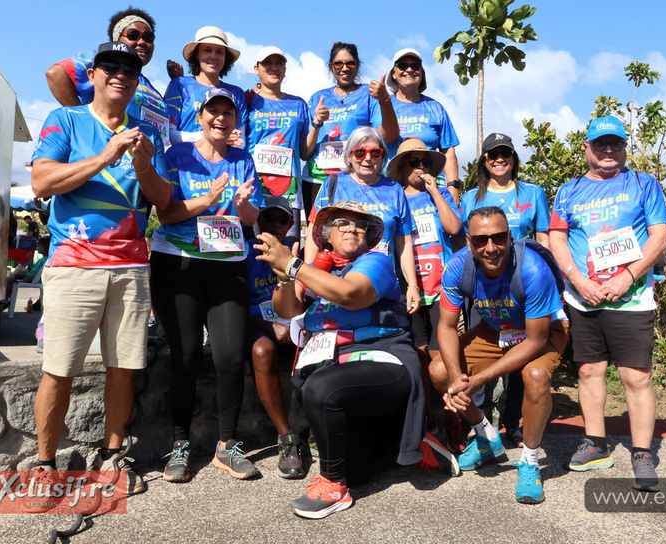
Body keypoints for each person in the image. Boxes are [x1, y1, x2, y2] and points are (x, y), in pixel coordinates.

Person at [30, 42, 173, 496]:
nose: (120, 73)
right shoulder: (66, 120)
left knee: (123, 368)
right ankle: (44, 463)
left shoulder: (145, 132)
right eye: (110, 66)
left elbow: (164, 201)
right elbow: (42, 181)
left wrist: (145, 166)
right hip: (73, 265)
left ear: (136, 80)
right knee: (59, 370)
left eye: (130, 68)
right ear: (92, 74)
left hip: (130, 266)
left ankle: (113, 456)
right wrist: (105, 157)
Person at [256, 200, 459, 519]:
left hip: (385, 362)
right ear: (326, 235)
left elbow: (351, 295)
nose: (352, 228)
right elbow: (287, 310)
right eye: (342, 223)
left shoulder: (375, 263)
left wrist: (294, 266)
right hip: (342, 371)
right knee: (355, 469)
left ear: (369, 237)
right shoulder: (318, 269)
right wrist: (284, 276)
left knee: (322, 389)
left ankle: (333, 488)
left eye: (360, 225)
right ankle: (406, 444)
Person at [549, 114, 666, 491]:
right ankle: (596, 444)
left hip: (630, 300)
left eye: (615, 143)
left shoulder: (643, 183)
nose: (607, 150)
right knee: (589, 372)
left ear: (624, 148)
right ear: (586, 148)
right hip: (584, 299)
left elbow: (660, 236)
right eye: (600, 143)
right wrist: (578, 280)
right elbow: (556, 237)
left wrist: (628, 277)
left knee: (636, 377)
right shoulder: (568, 190)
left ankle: (642, 452)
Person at [150, 87, 264, 483]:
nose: (220, 118)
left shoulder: (244, 160)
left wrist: (242, 203)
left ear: (236, 120)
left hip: (227, 264)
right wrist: (210, 198)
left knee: (231, 357)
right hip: (178, 263)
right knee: (185, 358)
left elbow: (250, 218)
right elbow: (165, 215)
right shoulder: (176, 156)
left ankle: (227, 445)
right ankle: (179, 445)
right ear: (199, 117)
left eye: (227, 113)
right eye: (212, 111)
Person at [428, 206, 569, 504]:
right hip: (496, 329)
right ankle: (486, 438)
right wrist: (457, 379)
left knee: (534, 376)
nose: (490, 248)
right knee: (440, 370)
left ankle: (530, 461)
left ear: (510, 235)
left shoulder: (532, 269)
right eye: (480, 240)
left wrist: (478, 380)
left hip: (542, 329)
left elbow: (535, 341)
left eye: (498, 238)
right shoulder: (456, 266)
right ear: (469, 241)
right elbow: (446, 327)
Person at [459, 132, 550, 449]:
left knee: (520, 357)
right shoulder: (470, 197)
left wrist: (546, 279)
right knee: (479, 357)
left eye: (505, 153)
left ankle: (514, 423)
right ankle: (480, 425)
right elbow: (465, 243)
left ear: (514, 158)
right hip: (482, 288)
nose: (499, 159)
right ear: (483, 161)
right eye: (492, 154)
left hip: (522, 287)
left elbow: (543, 238)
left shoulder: (533, 192)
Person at [386, 139, 462, 436]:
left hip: (443, 289)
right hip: (410, 291)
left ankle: (452, 415)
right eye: (414, 162)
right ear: (401, 169)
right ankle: (430, 419)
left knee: (440, 359)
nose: (420, 168)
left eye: (426, 163)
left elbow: (455, 229)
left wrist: (435, 191)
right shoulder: (393, 198)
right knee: (418, 357)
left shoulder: (440, 194)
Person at [305, 126, 419, 313]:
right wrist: (310, 277)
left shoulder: (394, 189)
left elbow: (403, 241)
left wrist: (412, 285)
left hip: (379, 283)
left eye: (375, 153)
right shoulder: (333, 183)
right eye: (360, 152)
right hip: (335, 279)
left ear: (383, 158)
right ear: (349, 156)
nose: (367, 158)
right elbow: (314, 231)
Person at [45, 7, 169, 142]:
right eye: (133, 35)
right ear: (116, 39)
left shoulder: (149, 87)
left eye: (148, 37)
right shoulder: (102, 62)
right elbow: (56, 74)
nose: (142, 42)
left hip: (149, 159)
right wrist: (85, 122)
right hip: (108, 155)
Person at [301, 42, 400, 212]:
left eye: (350, 63)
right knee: (318, 233)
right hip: (316, 180)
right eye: (339, 63)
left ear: (358, 65)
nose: (344, 68)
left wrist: (384, 100)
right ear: (331, 67)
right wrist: (317, 123)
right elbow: (304, 153)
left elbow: (388, 136)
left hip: (353, 179)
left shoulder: (369, 94)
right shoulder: (317, 97)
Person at [246, 196, 303, 479]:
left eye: (283, 220)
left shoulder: (299, 253)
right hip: (258, 325)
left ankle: (316, 429)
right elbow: (233, 309)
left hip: (294, 324)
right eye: (269, 218)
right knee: (262, 352)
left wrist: (294, 324)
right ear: (258, 220)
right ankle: (287, 438)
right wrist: (271, 328)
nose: (276, 226)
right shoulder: (245, 253)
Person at [245, 46, 325, 240]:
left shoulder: (298, 104)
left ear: (285, 69)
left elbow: (304, 153)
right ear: (256, 68)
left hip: (289, 195)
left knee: (288, 256)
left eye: (279, 63)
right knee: (254, 255)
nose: (274, 68)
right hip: (254, 191)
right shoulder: (246, 100)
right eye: (268, 63)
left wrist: (316, 124)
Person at [386, 48, 462, 203]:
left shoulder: (435, 107)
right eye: (402, 65)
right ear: (393, 73)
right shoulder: (382, 105)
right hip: (392, 189)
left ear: (421, 73)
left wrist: (453, 187)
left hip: (432, 189)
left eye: (415, 66)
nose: (409, 69)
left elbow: (448, 150)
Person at [165, 26, 247, 145]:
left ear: (225, 57)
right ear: (196, 54)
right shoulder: (179, 85)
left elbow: (240, 142)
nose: (213, 56)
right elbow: (168, 134)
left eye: (219, 51)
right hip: (184, 161)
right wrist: (213, 136)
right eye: (207, 50)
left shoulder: (237, 93)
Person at [4, 235, 50, 304]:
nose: (38, 248)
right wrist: (31, 260)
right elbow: (33, 270)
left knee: (10, 280)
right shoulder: (43, 259)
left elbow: (38, 274)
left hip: (30, 278)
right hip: (30, 277)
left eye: (40, 246)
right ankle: (5, 299)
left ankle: (5, 299)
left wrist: (28, 278)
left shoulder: (44, 260)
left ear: (46, 247)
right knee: (9, 279)